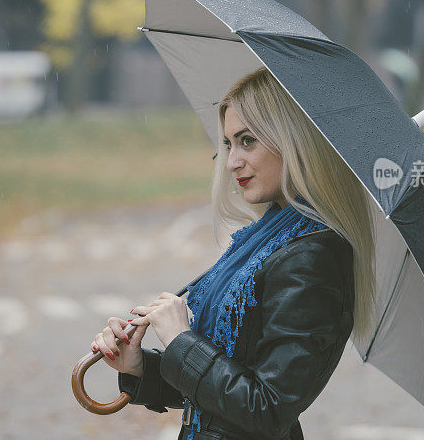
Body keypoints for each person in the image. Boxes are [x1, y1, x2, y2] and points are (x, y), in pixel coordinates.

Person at [91, 67, 376, 439]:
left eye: (247, 141)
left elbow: (267, 408)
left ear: (291, 139)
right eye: (228, 144)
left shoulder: (311, 258)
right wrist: (139, 367)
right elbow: (218, 393)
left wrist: (181, 339)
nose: (231, 162)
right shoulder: (264, 237)